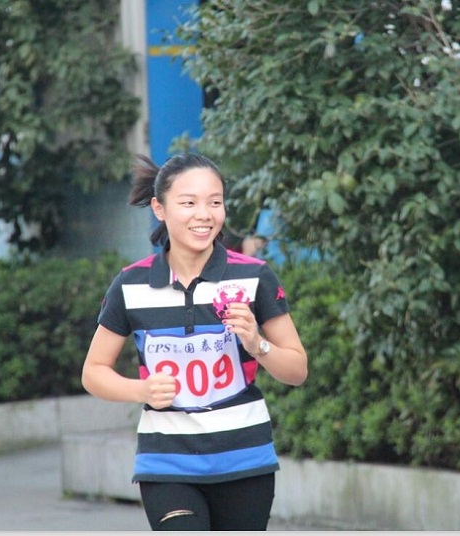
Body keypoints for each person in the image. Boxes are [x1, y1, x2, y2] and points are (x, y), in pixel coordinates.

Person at [81, 153, 308, 531]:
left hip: (244, 459)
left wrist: (258, 344)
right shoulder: (131, 285)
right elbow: (93, 372)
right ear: (159, 208)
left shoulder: (254, 277)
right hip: (167, 462)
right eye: (189, 203)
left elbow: (297, 370)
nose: (204, 214)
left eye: (215, 202)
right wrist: (141, 390)